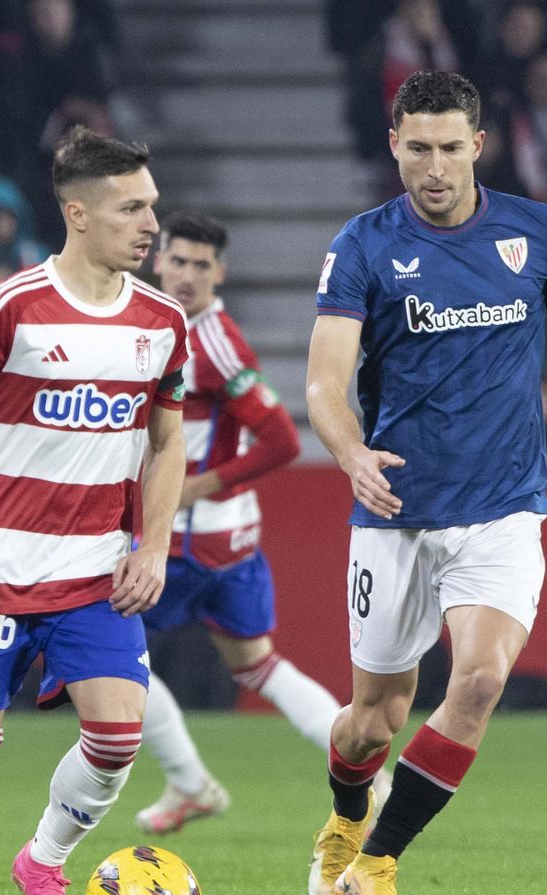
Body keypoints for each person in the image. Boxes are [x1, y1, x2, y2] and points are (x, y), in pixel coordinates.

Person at [305, 71, 547, 895]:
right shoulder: (364, 247)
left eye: (452, 148)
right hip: (396, 511)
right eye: (419, 148)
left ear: (479, 146)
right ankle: (344, 815)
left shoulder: (543, 233)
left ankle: (378, 862)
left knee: (481, 679)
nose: (437, 167)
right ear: (395, 148)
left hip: (502, 509)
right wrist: (349, 452)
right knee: (371, 723)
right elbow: (323, 383)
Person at [0, 125, 188, 895]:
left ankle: (44, 864)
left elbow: (167, 441)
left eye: (152, 206)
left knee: (116, 743)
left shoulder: (162, 323)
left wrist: (154, 544)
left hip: (96, 570)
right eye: (131, 208)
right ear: (78, 213)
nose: (150, 225)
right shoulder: (16, 305)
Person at [131, 210, 357, 834]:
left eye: (201, 265)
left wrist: (196, 484)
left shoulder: (211, 339)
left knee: (99, 649)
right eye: (178, 260)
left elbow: (284, 439)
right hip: (231, 540)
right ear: (159, 260)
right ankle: (370, 774)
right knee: (257, 663)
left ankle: (188, 780)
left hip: (187, 540)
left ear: (219, 273)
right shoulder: (164, 325)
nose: (187, 275)